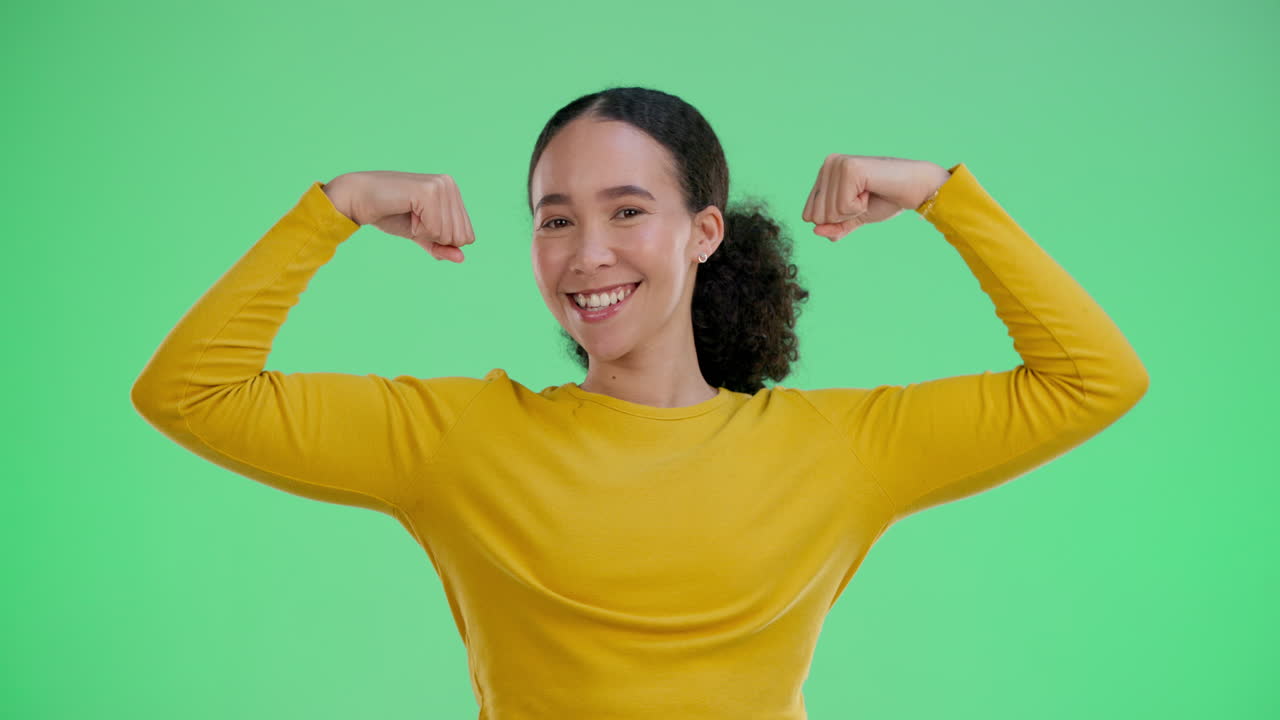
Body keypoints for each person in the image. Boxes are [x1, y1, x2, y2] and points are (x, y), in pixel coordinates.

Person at [130, 86, 1149, 718]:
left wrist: (940, 192)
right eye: (555, 219)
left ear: (702, 232)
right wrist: (337, 208)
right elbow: (190, 393)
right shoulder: (458, 442)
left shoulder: (836, 450)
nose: (588, 254)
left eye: (628, 211)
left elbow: (1091, 379)